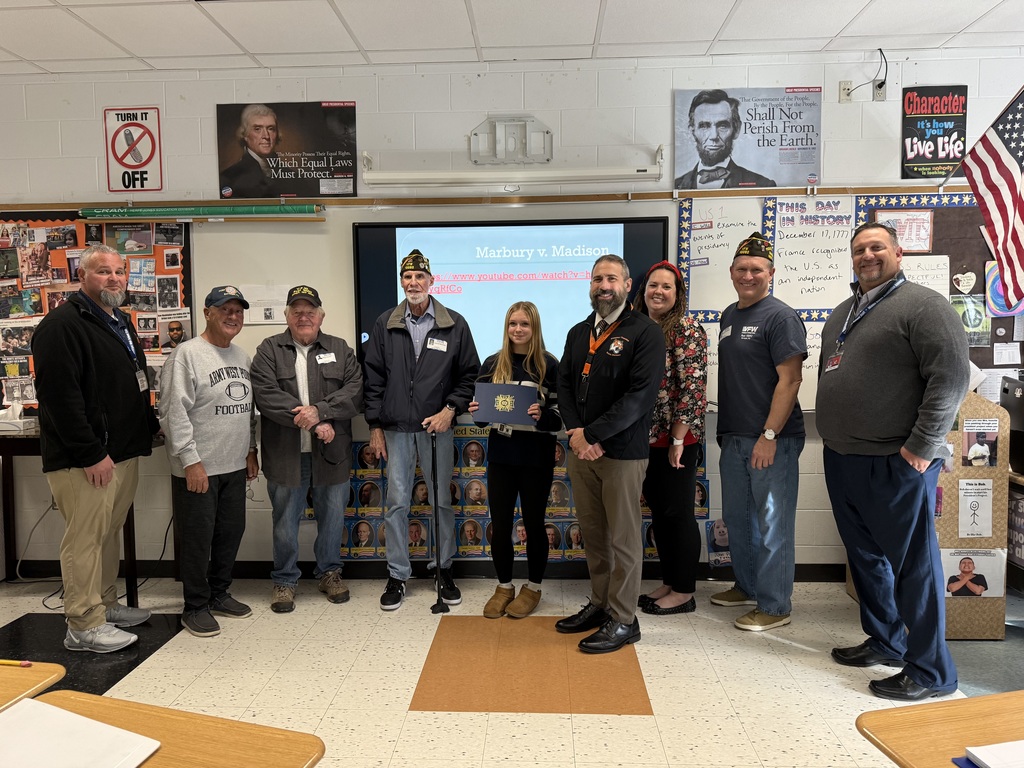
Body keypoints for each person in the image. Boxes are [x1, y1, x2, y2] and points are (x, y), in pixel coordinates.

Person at [818, 221, 970, 701]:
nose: (867, 255)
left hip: (896, 461)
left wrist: (922, 446)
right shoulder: (844, 312)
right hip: (844, 458)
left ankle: (930, 672)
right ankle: (886, 641)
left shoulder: (925, 306)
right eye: (859, 249)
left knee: (913, 567)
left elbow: (950, 378)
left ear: (898, 253)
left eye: (876, 247)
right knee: (865, 559)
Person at [33, 244, 159, 653]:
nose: (114, 278)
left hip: (120, 452)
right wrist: (90, 452)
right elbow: (59, 397)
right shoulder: (61, 326)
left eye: (119, 271)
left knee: (107, 534)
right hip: (85, 460)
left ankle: (105, 604)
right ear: (82, 276)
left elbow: (132, 379)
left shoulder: (117, 320)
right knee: (84, 539)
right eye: (103, 271)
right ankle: (83, 625)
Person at [556, 254, 665, 653]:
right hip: (581, 451)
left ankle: (624, 619)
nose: (604, 286)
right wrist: (576, 434)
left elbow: (639, 399)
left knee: (622, 540)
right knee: (594, 535)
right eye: (597, 278)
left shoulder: (645, 332)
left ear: (627, 283)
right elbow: (564, 385)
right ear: (590, 285)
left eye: (612, 279)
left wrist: (593, 434)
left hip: (621, 453)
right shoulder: (578, 331)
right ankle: (601, 604)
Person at [363, 249, 480, 610]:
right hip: (396, 428)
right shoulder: (385, 323)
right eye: (407, 278)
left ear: (432, 282)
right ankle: (397, 575)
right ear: (402, 282)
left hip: (437, 428)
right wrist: (375, 426)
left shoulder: (454, 323)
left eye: (420, 278)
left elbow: (469, 376)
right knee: (397, 503)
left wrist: (450, 410)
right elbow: (374, 379)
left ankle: (443, 569)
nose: (413, 283)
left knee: (441, 501)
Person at [251, 284, 364, 614]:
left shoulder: (340, 349)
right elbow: (266, 395)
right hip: (286, 454)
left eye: (310, 311)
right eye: (296, 311)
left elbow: (355, 392)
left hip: (332, 452)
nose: (304, 317)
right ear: (286, 315)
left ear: (321, 316)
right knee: (285, 520)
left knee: (332, 517)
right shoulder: (269, 350)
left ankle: (330, 573)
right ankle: (284, 580)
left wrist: (322, 411)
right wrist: (314, 420)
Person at [714, 232, 806, 632]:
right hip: (734, 435)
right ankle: (748, 586)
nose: (748, 275)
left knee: (772, 525)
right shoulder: (729, 315)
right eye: (741, 269)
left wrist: (769, 436)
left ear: (770, 273)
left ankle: (774, 606)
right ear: (731, 272)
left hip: (772, 439)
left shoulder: (780, 317)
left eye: (756, 269)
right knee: (739, 520)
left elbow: (791, 380)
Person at [161, 286, 259, 638]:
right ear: (207, 312)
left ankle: (219, 593)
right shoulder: (186, 354)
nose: (233, 317)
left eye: (238, 311)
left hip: (233, 464)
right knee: (197, 538)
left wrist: (250, 450)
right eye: (225, 310)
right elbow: (172, 413)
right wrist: (190, 461)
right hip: (199, 467)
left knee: (230, 533)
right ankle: (195, 605)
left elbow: (247, 410)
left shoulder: (240, 356)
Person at [469, 301, 561, 619]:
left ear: (534, 328)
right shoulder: (493, 363)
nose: (518, 329)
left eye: (524, 324)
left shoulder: (550, 365)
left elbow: (560, 418)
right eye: (512, 324)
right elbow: (482, 419)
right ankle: (505, 585)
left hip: (536, 459)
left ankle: (533, 587)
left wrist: (542, 415)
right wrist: (477, 413)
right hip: (502, 458)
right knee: (502, 524)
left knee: (534, 526)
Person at [634, 260, 708, 616]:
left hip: (677, 441)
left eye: (667, 286)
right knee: (661, 515)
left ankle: (684, 591)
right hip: (645, 439)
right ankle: (670, 580)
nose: (658, 292)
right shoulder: (637, 327)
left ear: (677, 294)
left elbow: (693, 388)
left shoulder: (686, 328)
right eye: (653, 285)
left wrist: (678, 438)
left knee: (678, 514)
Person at [674, 89, 777, 190]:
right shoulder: (676, 185)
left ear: (736, 130)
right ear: (692, 132)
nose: (714, 136)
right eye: (704, 126)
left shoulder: (763, 185)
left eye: (722, 126)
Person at [219, 103, 281, 198]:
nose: (266, 136)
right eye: (257, 129)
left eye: (271, 129)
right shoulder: (229, 178)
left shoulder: (293, 177)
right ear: (245, 134)